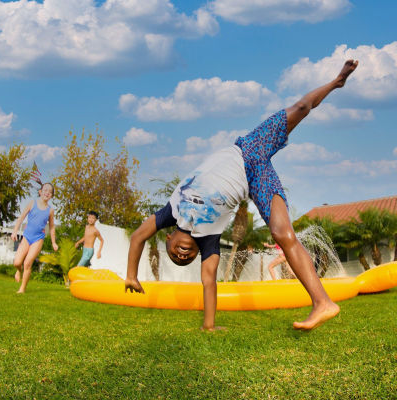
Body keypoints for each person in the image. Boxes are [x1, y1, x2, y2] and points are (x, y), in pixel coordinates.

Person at [125, 60, 359, 331]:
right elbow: (209, 282)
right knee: (283, 235)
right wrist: (209, 327)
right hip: (256, 179)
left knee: (301, 108)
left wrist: (131, 275)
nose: (181, 256)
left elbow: (137, 236)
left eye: (175, 254)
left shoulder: (172, 211)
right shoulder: (209, 240)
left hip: (249, 148)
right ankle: (323, 302)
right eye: (184, 260)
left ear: (168, 238)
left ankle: (335, 82)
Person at [11, 183, 58, 293]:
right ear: (40, 192)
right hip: (27, 236)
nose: (47, 192)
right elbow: (21, 217)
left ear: (51, 196)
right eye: (45, 190)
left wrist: (53, 242)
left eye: (50, 192)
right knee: (17, 263)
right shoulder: (32, 203)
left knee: (27, 263)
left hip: (38, 238)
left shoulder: (50, 210)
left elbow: (51, 227)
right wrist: (14, 231)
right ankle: (18, 270)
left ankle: (22, 289)